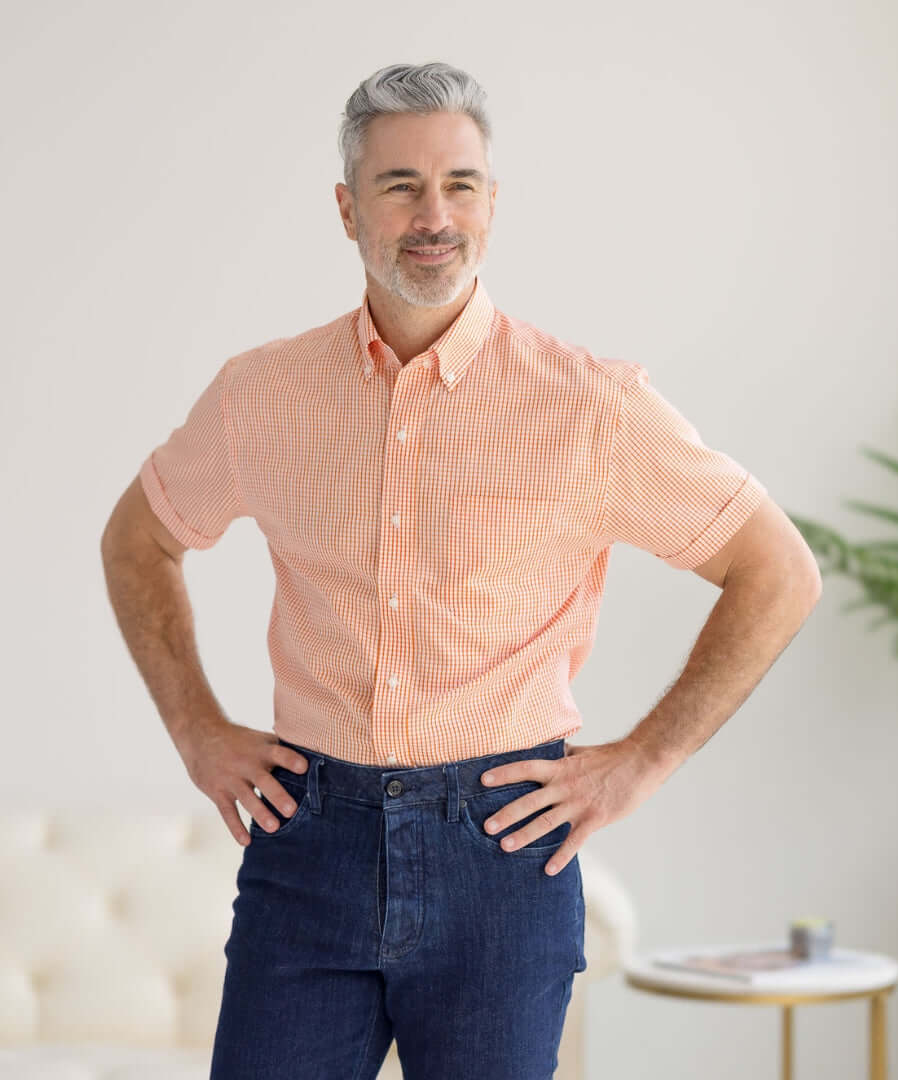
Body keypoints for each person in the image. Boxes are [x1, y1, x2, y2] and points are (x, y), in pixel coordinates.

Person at [100, 60, 822, 1080]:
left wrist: (644, 758)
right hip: (308, 847)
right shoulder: (261, 397)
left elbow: (778, 572)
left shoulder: (589, 408)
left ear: (493, 202)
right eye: (399, 185)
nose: (433, 214)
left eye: (461, 184)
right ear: (347, 209)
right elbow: (137, 540)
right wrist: (195, 729)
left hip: (504, 858)